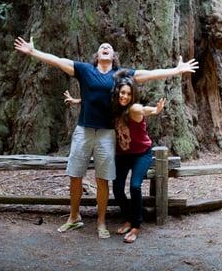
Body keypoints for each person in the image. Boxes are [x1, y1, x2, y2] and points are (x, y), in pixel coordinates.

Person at [14, 37, 198, 238]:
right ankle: (74, 217)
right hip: (83, 130)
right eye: (102, 46)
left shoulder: (119, 75)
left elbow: (148, 75)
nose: (105, 47)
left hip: (106, 134)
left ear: (113, 57)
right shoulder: (85, 70)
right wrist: (33, 52)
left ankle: (101, 222)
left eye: (109, 47)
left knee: (102, 178)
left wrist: (176, 70)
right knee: (75, 175)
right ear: (97, 55)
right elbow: (58, 60)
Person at [64, 70, 164, 244]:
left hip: (141, 154)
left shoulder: (134, 108)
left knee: (134, 187)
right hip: (123, 155)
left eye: (128, 94)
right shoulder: (114, 107)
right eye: (122, 93)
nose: (125, 96)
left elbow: (143, 109)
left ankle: (136, 226)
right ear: (118, 92)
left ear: (133, 95)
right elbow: (94, 102)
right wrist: (77, 101)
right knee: (117, 188)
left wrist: (155, 110)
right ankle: (128, 218)